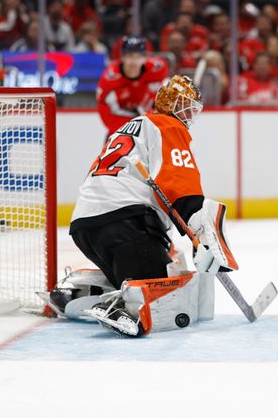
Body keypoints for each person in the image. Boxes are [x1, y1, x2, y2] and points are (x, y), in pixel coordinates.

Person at [51, 75, 235, 337]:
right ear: (170, 103)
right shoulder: (169, 126)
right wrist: (204, 239)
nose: (189, 113)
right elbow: (180, 185)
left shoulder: (132, 126)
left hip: (85, 226)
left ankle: (77, 290)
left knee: (159, 261)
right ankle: (126, 308)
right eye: (185, 105)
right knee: (166, 292)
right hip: (124, 224)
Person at [96, 36, 169, 135]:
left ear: (145, 58)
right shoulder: (110, 78)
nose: (134, 62)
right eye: (130, 56)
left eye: (138, 56)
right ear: (122, 57)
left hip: (150, 125)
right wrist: (128, 131)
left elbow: (166, 97)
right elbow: (105, 110)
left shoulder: (158, 68)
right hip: (121, 128)